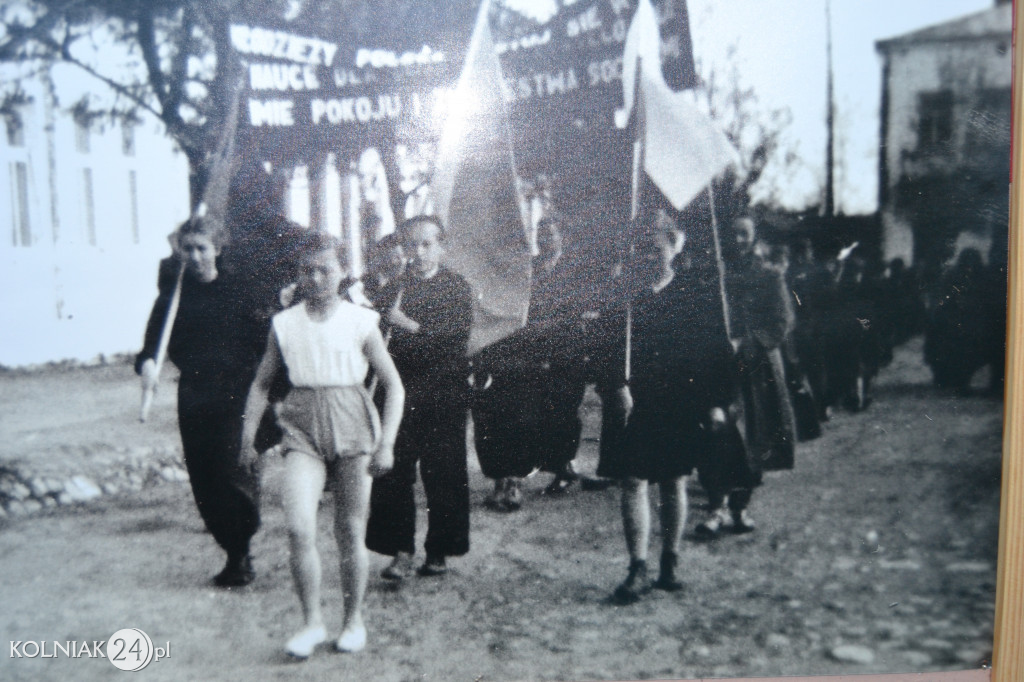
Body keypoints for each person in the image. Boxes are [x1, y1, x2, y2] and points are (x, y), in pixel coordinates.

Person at [239, 231, 404, 659]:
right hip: (302, 426)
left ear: (343, 271)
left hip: (352, 420)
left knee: (350, 530)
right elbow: (260, 383)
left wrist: (386, 444)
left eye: (325, 269)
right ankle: (311, 622)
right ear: (297, 273)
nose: (315, 278)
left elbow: (394, 386)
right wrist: (247, 437)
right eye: (306, 270)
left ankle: (353, 621)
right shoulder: (285, 323)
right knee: (298, 527)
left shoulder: (360, 320)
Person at [599, 210, 740, 603]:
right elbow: (605, 348)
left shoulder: (694, 295)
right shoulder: (624, 297)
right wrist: (616, 384)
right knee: (632, 480)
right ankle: (637, 567)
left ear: (676, 247)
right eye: (642, 249)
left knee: (674, 480)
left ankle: (669, 562)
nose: (650, 256)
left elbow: (715, 352)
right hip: (633, 399)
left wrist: (716, 403)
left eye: (657, 248)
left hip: (679, 399)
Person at [136, 217, 276, 587]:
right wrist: (148, 365)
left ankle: (240, 550)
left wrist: (270, 395)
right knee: (205, 479)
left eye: (202, 247)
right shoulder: (172, 297)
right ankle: (233, 549)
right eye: (188, 248)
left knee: (232, 473)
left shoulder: (242, 291)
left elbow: (267, 348)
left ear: (218, 248)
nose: (195, 256)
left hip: (238, 393)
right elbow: (150, 347)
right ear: (180, 252)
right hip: (196, 394)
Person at [366, 215, 473, 579]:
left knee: (443, 473)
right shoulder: (394, 289)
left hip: (444, 394)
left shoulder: (457, 287)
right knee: (394, 472)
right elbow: (376, 343)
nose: (419, 252)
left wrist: (406, 324)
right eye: (412, 245)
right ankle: (400, 551)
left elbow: (454, 339)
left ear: (442, 246)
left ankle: (439, 550)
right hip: (400, 393)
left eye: (428, 244)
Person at [477, 216, 587, 511]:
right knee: (528, 416)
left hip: (564, 354)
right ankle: (518, 476)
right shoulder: (531, 270)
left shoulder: (573, 272)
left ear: (562, 237)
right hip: (531, 354)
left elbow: (575, 315)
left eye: (552, 234)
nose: (547, 240)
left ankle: (565, 467)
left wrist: (543, 327)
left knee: (562, 413)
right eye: (542, 234)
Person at [696, 216, 794, 538]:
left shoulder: (769, 277)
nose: (737, 239)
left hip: (755, 369)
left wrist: (746, 342)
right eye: (733, 233)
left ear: (754, 238)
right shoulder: (716, 277)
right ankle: (715, 509)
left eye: (744, 234)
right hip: (718, 367)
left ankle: (739, 507)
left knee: (751, 437)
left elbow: (780, 323)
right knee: (716, 432)